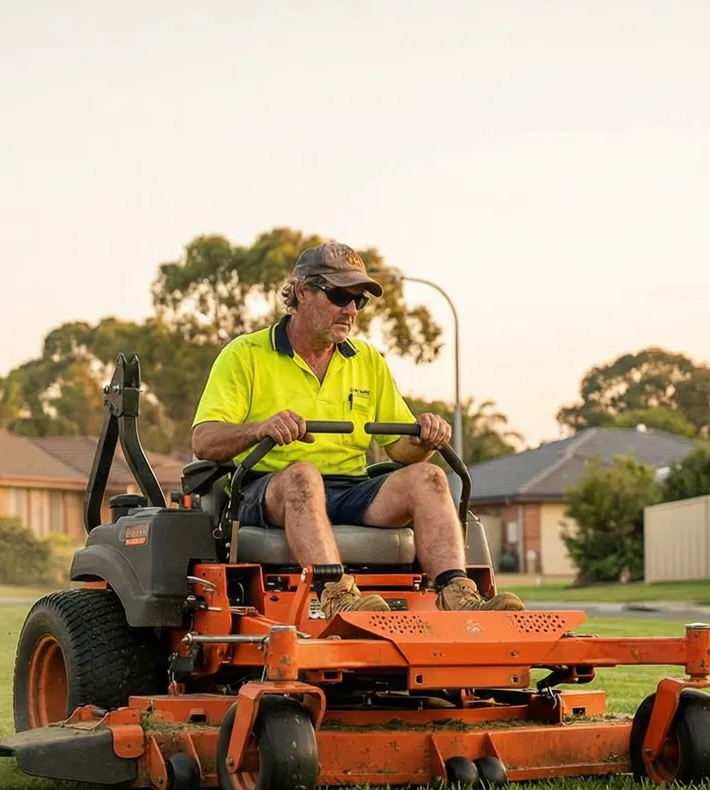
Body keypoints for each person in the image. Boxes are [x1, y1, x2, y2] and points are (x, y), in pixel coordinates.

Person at [190, 242, 525, 617]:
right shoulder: (245, 354)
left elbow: (401, 450)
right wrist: (260, 429)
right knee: (303, 476)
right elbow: (204, 440)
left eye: (359, 300)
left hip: (350, 489)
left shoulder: (367, 361)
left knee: (429, 477)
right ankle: (336, 595)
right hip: (268, 490)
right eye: (339, 296)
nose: (350, 310)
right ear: (302, 292)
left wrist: (425, 438)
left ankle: (460, 596)